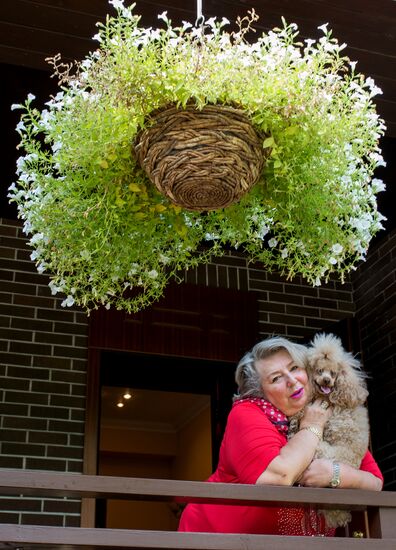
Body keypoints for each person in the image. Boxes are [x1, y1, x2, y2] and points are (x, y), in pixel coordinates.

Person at [178, 336, 383, 536]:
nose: (292, 381)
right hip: (217, 538)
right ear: (260, 392)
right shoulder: (247, 413)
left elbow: (375, 482)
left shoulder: (331, 412)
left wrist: (335, 473)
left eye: (295, 368)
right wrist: (312, 426)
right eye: (276, 378)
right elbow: (278, 477)